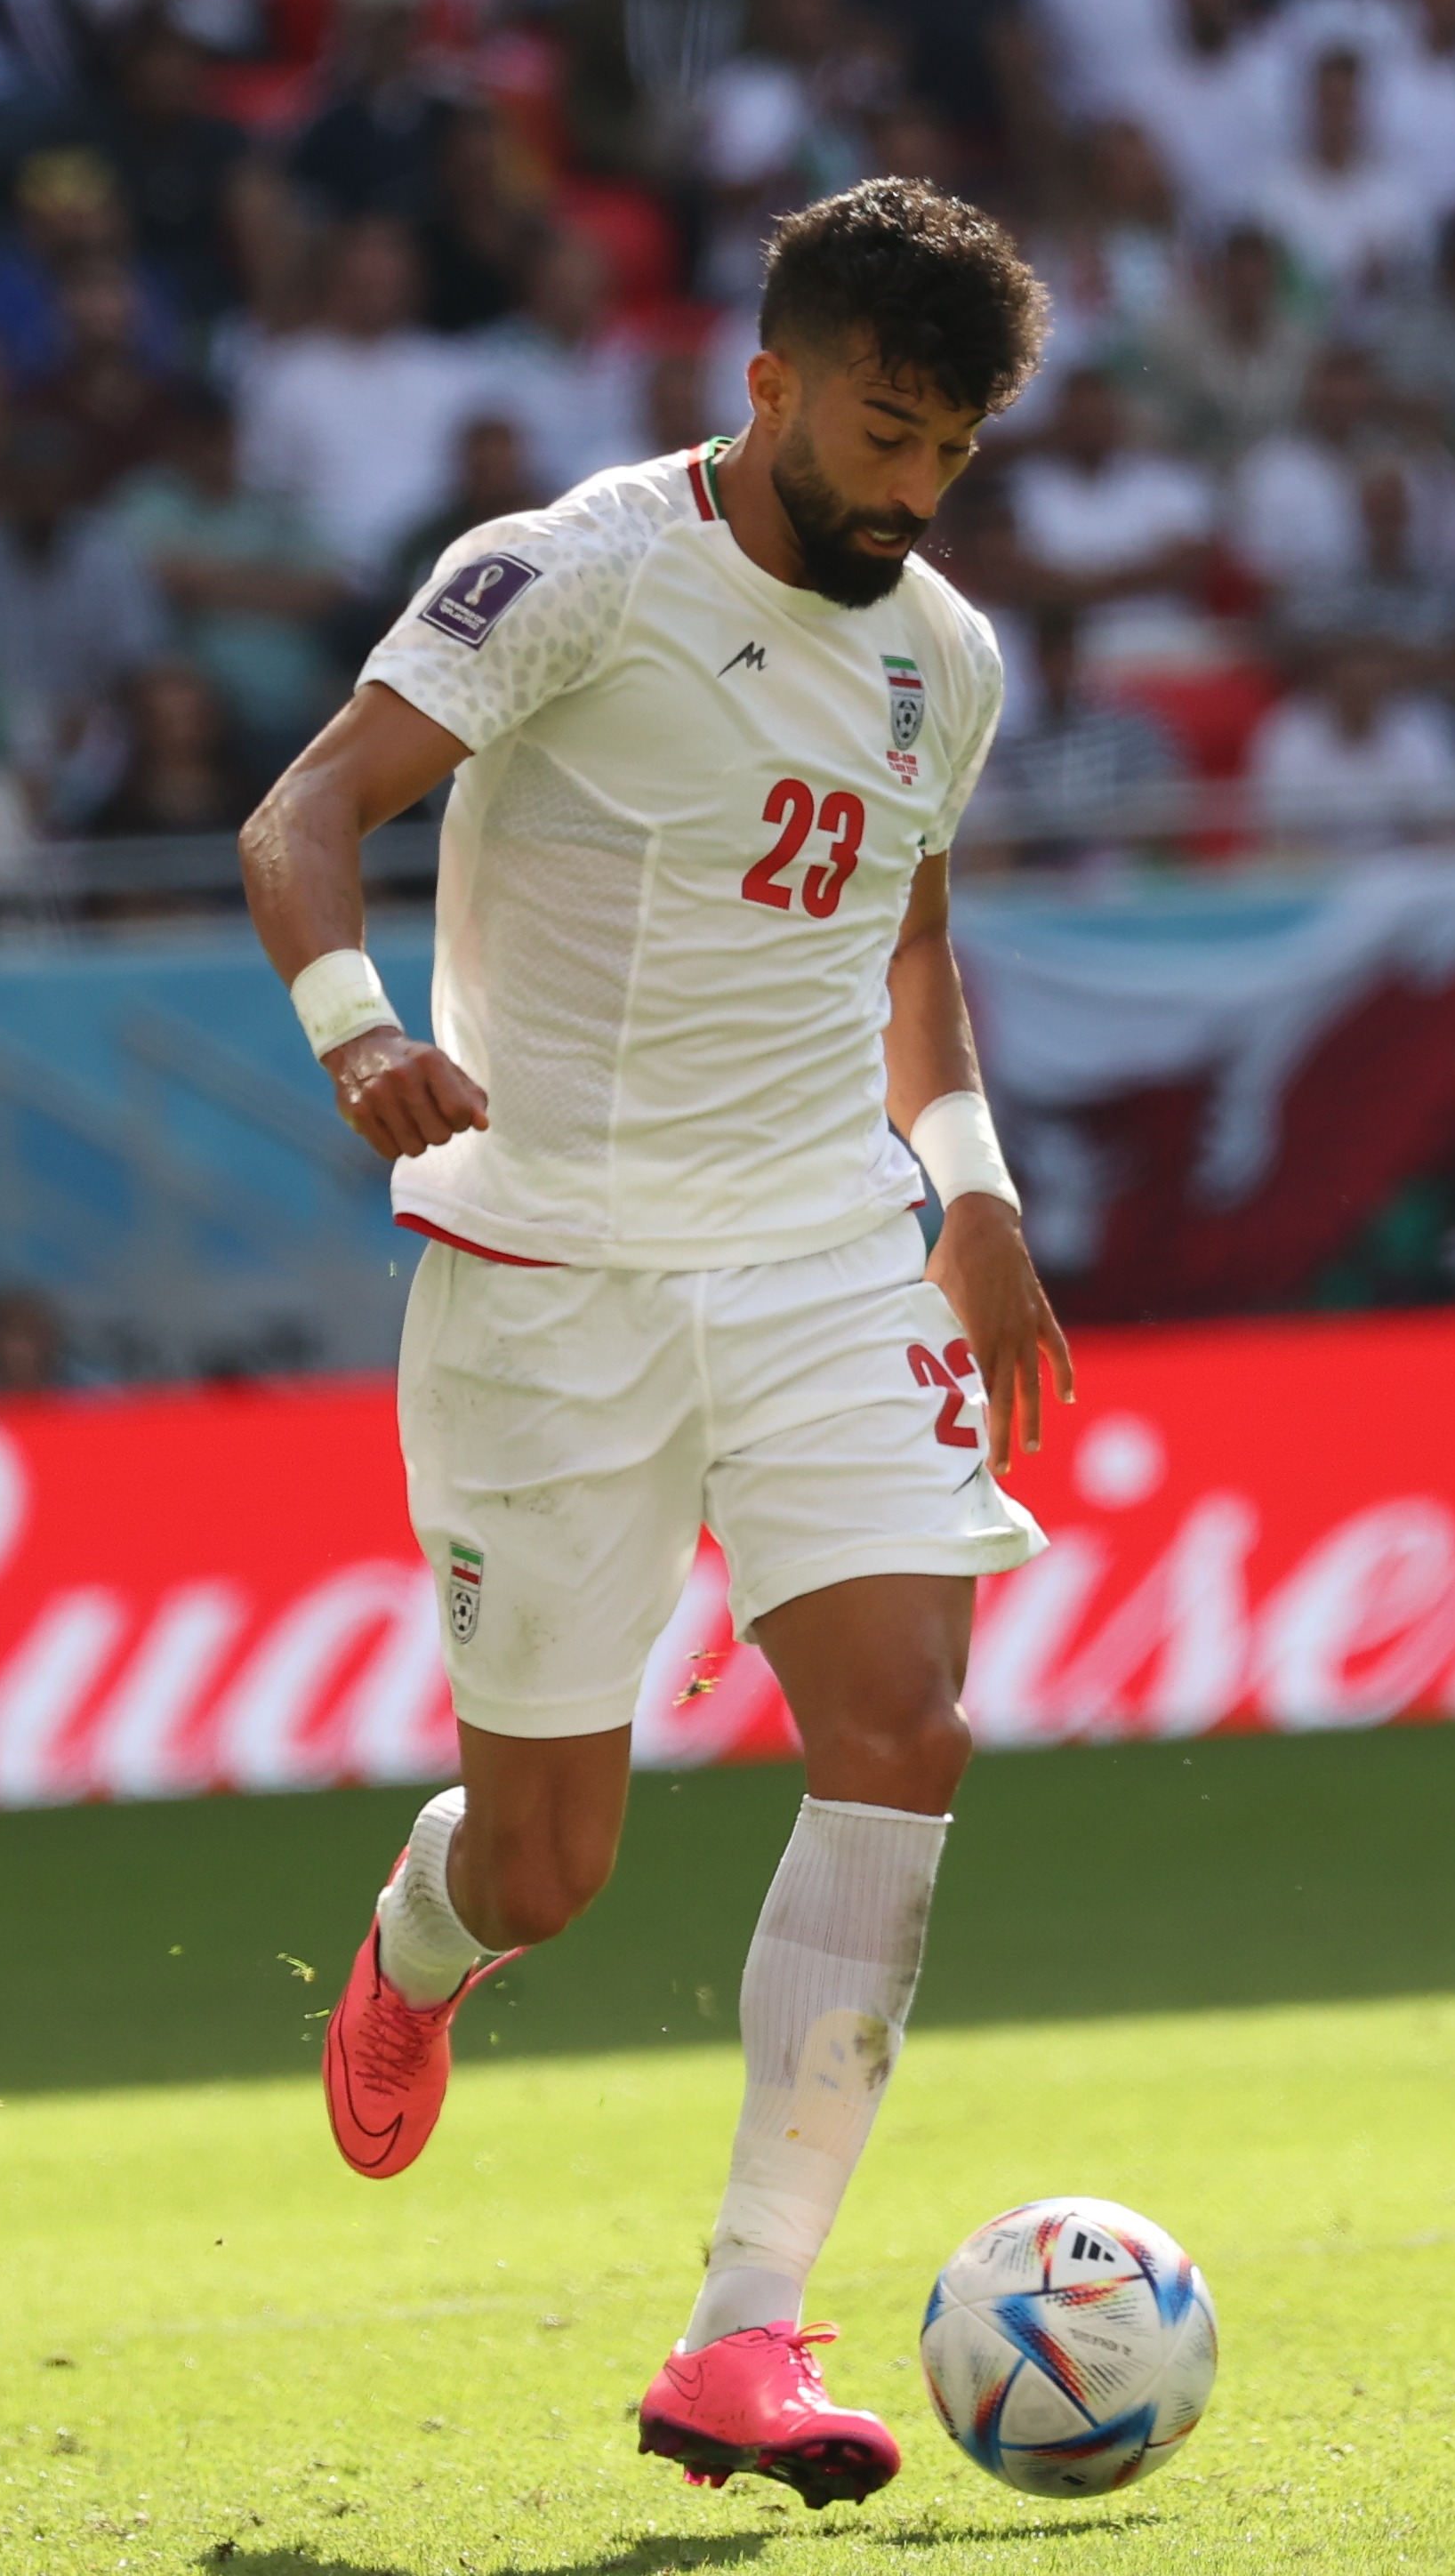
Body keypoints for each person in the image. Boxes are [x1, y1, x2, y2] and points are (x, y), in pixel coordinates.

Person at [245, 178, 1073, 2503]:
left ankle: (748, 2331)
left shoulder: (948, 654)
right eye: (882, 433)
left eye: (952, 454)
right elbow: (303, 814)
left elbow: (911, 956)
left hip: (824, 1247)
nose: (907, 495)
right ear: (771, 383)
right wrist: (355, 1033)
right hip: (556, 1272)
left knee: (903, 1724)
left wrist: (978, 1201)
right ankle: (424, 1946)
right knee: (553, 1867)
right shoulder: (576, 570)